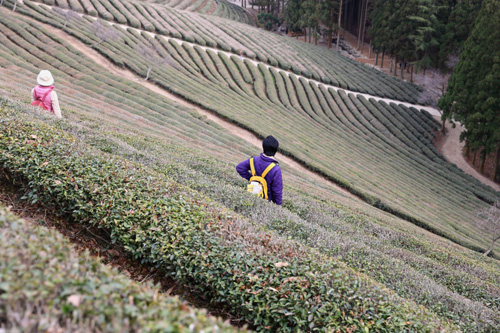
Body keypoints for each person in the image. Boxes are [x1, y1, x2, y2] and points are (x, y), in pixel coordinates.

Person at [236, 135, 283, 205]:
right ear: (276, 150)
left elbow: (239, 167)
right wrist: (279, 207)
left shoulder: (253, 160)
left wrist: (251, 178)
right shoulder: (276, 169)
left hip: (251, 195)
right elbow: (277, 191)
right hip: (265, 202)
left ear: (263, 147)